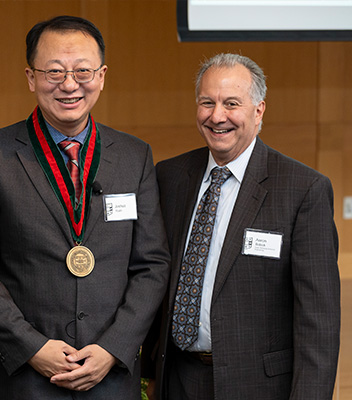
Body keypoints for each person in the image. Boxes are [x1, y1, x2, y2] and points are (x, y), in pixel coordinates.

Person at [0, 15, 170, 400]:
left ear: (101, 76)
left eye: (82, 71)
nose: (69, 84)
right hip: (27, 380)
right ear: (31, 77)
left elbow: (152, 265)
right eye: (54, 71)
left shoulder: (135, 157)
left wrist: (113, 348)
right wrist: (32, 347)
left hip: (111, 378)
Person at [142, 53, 340, 399]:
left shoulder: (302, 189)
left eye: (231, 103)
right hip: (177, 380)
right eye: (207, 102)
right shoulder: (169, 177)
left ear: (258, 110)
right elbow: (153, 275)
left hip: (258, 387)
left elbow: (318, 323)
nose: (217, 116)